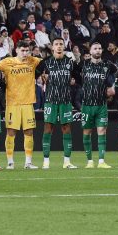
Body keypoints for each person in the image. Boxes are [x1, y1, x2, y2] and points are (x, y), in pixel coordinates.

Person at [0, 38, 42, 169]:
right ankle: (10, 162)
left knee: (29, 132)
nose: (25, 53)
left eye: (27, 51)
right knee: (11, 132)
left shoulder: (33, 61)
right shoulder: (7, 62)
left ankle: (28, 162)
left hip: (28, 102)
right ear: (17, 50)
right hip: (12, 103)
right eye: (23, 50)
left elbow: (46, 63)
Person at [39, 36, 79, 169]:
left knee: (66, 128)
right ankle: (46, 161)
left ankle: (67, 161)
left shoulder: (70, 62)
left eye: (61, 44)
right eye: (56, 44)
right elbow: (33, 74)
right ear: (52, 47)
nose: (59, 46)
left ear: (64, 46)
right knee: (48, 128)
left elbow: (79, 78)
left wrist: (74, 82)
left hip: (65, 101)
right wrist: (41, 78)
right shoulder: (46, 62)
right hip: (50, 100)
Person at [78, 41, 116, 168]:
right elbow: (73, 74)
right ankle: (89, 161)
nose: (98, 50)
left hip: (101, 105)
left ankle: (101, 161)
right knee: (87, 132)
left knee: (102, 131)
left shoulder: (107, 65)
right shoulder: (83, 64)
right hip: (87, 105)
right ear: (90, 51)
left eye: (99, 48)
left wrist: (113, 87)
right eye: (95, 48)